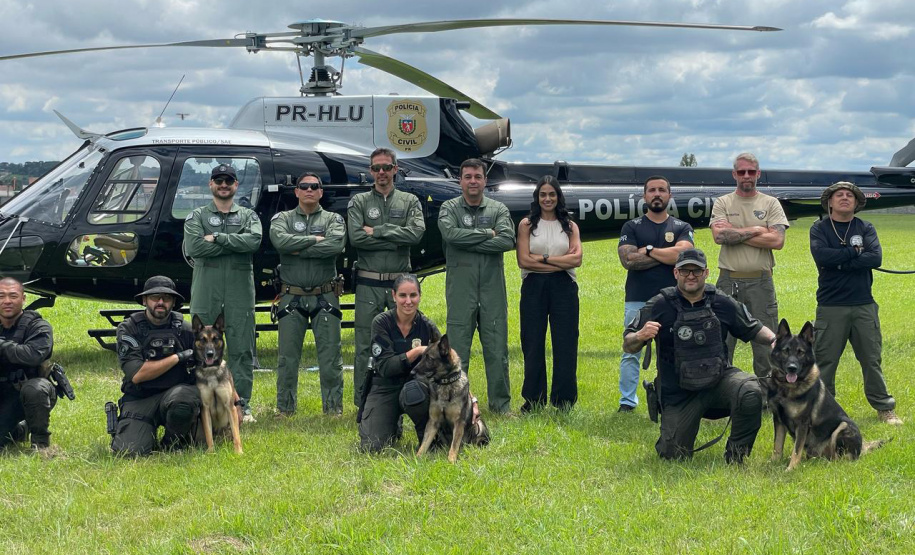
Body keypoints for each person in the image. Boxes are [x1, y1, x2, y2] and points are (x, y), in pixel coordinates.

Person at [623, 249, 776, 463]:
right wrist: (640, 335)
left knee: (751, 391)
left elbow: (753, 327)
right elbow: (628, 345)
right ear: (675, 273)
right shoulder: (659, 304)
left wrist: (775, 341)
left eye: (697, 270)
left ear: (706, 273)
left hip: (718, 381)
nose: (691, 276)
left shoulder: (721, 301)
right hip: (679, 392)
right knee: (673, 455)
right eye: (685, 271)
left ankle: (736, 455)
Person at [809, 182, 902, 425]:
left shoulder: (865, 227)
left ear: (857, 202)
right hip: (831, 306)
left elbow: (876, 257)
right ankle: (822, 410)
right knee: (826, 361)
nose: (844, 198)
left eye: (849, 195)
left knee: (871, 359)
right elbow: (822, 256)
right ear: (829, 202)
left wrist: (839, 261)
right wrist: (855, 253)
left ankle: (884, 408)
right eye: (838, 195)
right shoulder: (819, 229)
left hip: (863, 304)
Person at [183, 164, 262, 422]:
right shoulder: (197, 216)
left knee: (241, 348)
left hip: (240, 291)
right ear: (211, 184)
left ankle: (241, 404)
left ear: (236, 185)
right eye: (219, 180)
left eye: (229, 180)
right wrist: (234, 243)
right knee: (201, 346)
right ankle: (201, 401)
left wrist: (217, 238)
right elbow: (195, 247)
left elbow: (254, 242)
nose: (224, 184)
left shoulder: (249, 216)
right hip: (208, 289)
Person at [348, 148, 425, 408]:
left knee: (404, 343)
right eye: (376, 168)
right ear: (370, 171)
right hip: (368, 283)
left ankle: (408, 397)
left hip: (399, 286)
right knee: (364, 345)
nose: (381, 172)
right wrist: (396, 235)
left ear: (395, 169)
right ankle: (362, 402)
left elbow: (415, 235)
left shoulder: (409, 201)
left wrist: (378, 231)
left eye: (386, 167)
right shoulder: (359, 202)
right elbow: (356, 237)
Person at [438, 158, 515, 413]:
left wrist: (467, 240)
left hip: (492, 290)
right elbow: (450, 235)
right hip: (461, 291)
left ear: (485, 180)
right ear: (460, 180)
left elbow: (506, 240)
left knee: (497, 350)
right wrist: (486, 234)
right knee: (457, 352)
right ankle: (457, 405)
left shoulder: (498, 209)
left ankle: (500, 405)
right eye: (468, 176)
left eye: (477, 176)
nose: (473, 181)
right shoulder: (449, 208)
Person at [269, 172, 346, 416]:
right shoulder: (282, 218)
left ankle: (333, 409)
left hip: (326, 295)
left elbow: (336, 245)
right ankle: (285, 409)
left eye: (315, 186)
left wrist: (298, 247)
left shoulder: (334, 219)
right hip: (291, 297)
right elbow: (280, 243)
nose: (309, 190)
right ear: (297, 191)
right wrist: (314, 239)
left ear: (321, 192)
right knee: (287, 359)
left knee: (331, 357)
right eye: (304, 186)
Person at [616, 175, 694, 412]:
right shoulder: (632, 226)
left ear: (669, 195)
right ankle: (627, 402)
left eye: (662, 190)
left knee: (677, 350)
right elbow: (628, 260)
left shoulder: (682, 227)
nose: (657, 194)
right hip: (638, 298)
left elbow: (683, 257)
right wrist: (666, 256)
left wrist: (648, 250)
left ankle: (674, 397)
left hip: (674, 299)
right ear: (645, 196)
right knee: (632, 349)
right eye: (652, 190)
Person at [710, 152, 788, 378]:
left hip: (760, 282)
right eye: (741, 171)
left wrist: (735, 232)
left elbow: (777, 241)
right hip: (728, 280)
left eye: (751, 172)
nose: (746, 176)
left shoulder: (770, 203)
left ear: (758, 174)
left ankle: (767, 397)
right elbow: (719, 237)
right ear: (734, 174)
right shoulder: (723, 203)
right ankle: (723, 393)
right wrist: (757, 229)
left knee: (766, 342)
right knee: (722, 339)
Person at [111, 276, 201, 456]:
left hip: (177, 395)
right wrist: (177, 357)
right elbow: (136, 374)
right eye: (155, 297)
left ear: (173, 302)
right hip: (140, 397)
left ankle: (172, 442)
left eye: (166, 298)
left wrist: (236, 401)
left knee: (184, 403)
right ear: (144, 300)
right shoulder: (129, 329)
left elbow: (212, 366)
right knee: (129, 452)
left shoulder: (186, 329)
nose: (161, 302)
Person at [516, 176, 582, 411]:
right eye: (543, 194)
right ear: (537, 197)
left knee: (565, 341)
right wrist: (560, 262)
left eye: (552, 194)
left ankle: (564, 399)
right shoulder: (526, 225)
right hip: (534, 286)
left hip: (564, 286)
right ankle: (533, 399)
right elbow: (523, 261)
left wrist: (542, 259)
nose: (547, 199)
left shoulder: (570, 226)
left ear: (558, 197)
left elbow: (577, 259)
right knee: (532, 341)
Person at [358, 275, 446, 451]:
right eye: (402, 295)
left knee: (413, 393)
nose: (408, 301)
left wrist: (471, 399)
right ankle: (392, 422)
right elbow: (385, 367)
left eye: (413, 295)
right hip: (385, 385)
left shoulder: (427, 326)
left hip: (416, 386)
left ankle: (427, 437)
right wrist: (416, 352)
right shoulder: (381, 323)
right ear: (393, 296)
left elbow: (448, 365)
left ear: (419, 296)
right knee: (372, 447)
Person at [0, 277, 56, 453]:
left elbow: (32, 356)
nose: (7, 301)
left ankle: (41, 443)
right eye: (1, 296)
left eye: (13, 296)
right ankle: (19, 431)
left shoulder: (38, 326)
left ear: (23, 299)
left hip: (26, 392)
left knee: (36, 388)